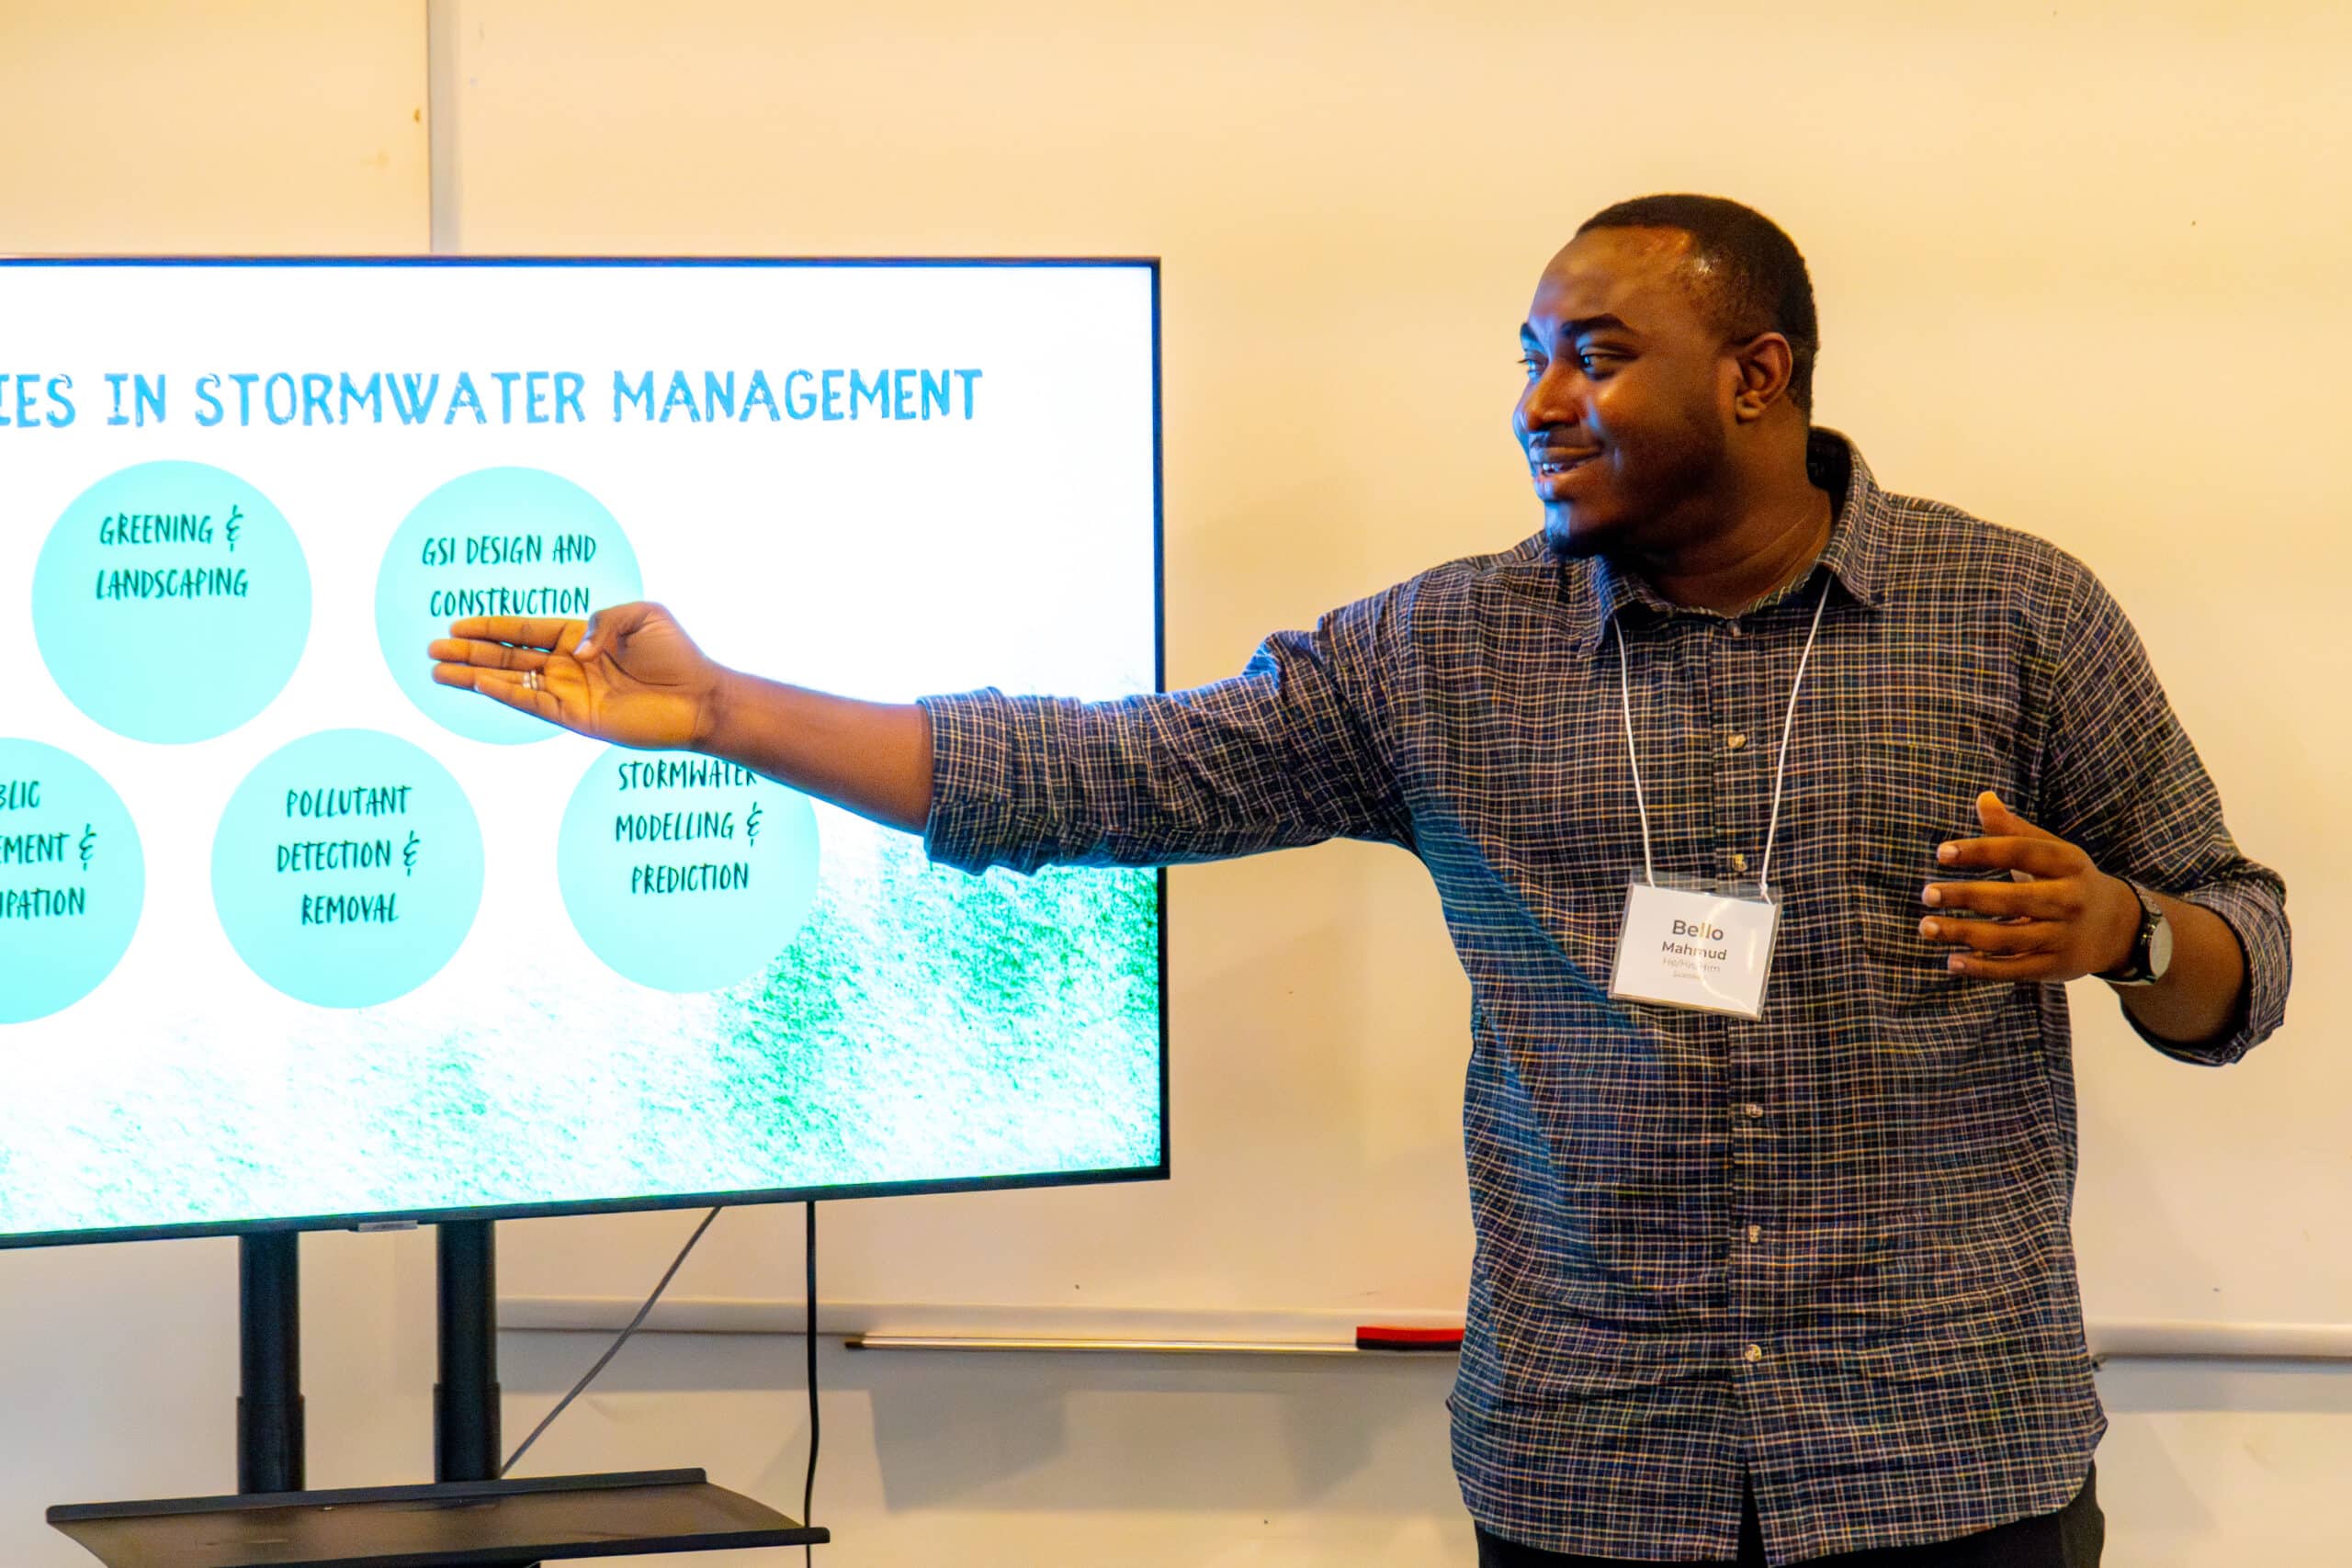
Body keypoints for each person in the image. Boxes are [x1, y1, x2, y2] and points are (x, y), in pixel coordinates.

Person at [430, 194, 2289, 1567]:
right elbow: (1091, 773)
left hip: (1943, 1469)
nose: (1538, 401)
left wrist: (2130, 933)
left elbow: (2242, 950)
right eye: (1526, 359)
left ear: (1757, 373)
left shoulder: (2014, 614)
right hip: (1593, 1470)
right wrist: (733, 708)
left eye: (1593, 352)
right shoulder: (1439, 655)